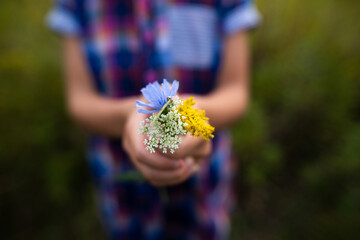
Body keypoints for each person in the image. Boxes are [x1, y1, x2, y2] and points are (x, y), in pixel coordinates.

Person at [47, 0, 260, 239]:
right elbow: (79, 101)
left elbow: (236, 93)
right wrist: (129, 116)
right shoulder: (78, 5)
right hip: (122, 195)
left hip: (204, 192)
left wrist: (194, 113)